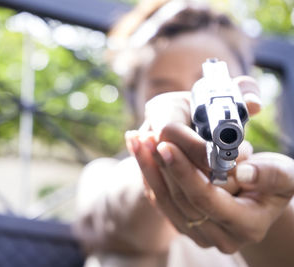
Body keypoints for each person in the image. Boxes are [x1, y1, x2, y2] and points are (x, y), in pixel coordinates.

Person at [73, 1, 294, 267]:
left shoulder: (266, 185)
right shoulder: (105, 174)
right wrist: (158, 157)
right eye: (163, 90)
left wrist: (270, 210)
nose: (188, 102)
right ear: (136, 101)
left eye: (207, 87)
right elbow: (113, 219)